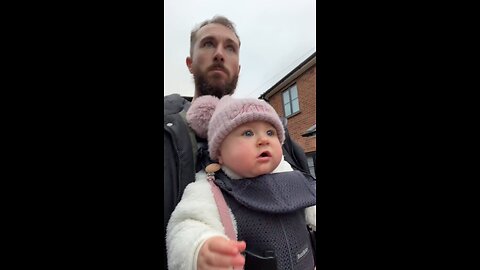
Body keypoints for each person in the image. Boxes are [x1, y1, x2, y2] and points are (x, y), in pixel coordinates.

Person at [164, 15, 313, 269]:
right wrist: (199, 250)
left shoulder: (279, 143)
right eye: (208, 44)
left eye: (230, 47)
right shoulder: (169, 133)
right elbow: (187, 226)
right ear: (189, 63)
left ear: (239, 67)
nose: (220, 54)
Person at [167, 95, 316, 270]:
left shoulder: (290, 174)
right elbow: (186, 226)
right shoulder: (209, 190)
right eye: (248, 133)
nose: (263, 140)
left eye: (270, 132)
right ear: (220, 152)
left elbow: (312, 207)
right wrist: (198, 249)